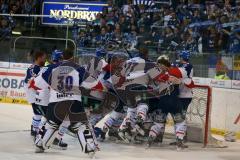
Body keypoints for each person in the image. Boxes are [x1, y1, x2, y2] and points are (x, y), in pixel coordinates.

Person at [34, 49, 99, 155]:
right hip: (74, 101)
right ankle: (89, 148)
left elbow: (38, 83)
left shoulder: (52, 68)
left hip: (55, 101)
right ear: (72, 57)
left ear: (61, 57)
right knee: (80, 126)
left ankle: (40, 144)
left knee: (51, 125)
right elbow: (92, 83)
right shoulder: (78, 68)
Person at [34, 50, 68, 150]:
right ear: (60, 59)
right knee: (51, 119)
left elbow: (36, 83)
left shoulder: (47, 67)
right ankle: (43, 139)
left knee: (49, 119)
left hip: (42, 97)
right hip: (47, 98)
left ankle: (41, 138)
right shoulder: (57, 68)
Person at [24, 51, 46, 137]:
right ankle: (34, 129)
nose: (45, 60)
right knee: (39, 113)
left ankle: (34, 128)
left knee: (39, 113)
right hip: (33, 94)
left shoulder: (36, 67)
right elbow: (30, 82)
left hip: (34, 93)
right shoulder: (35, 68)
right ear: (39, 58)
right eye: (44, 58)